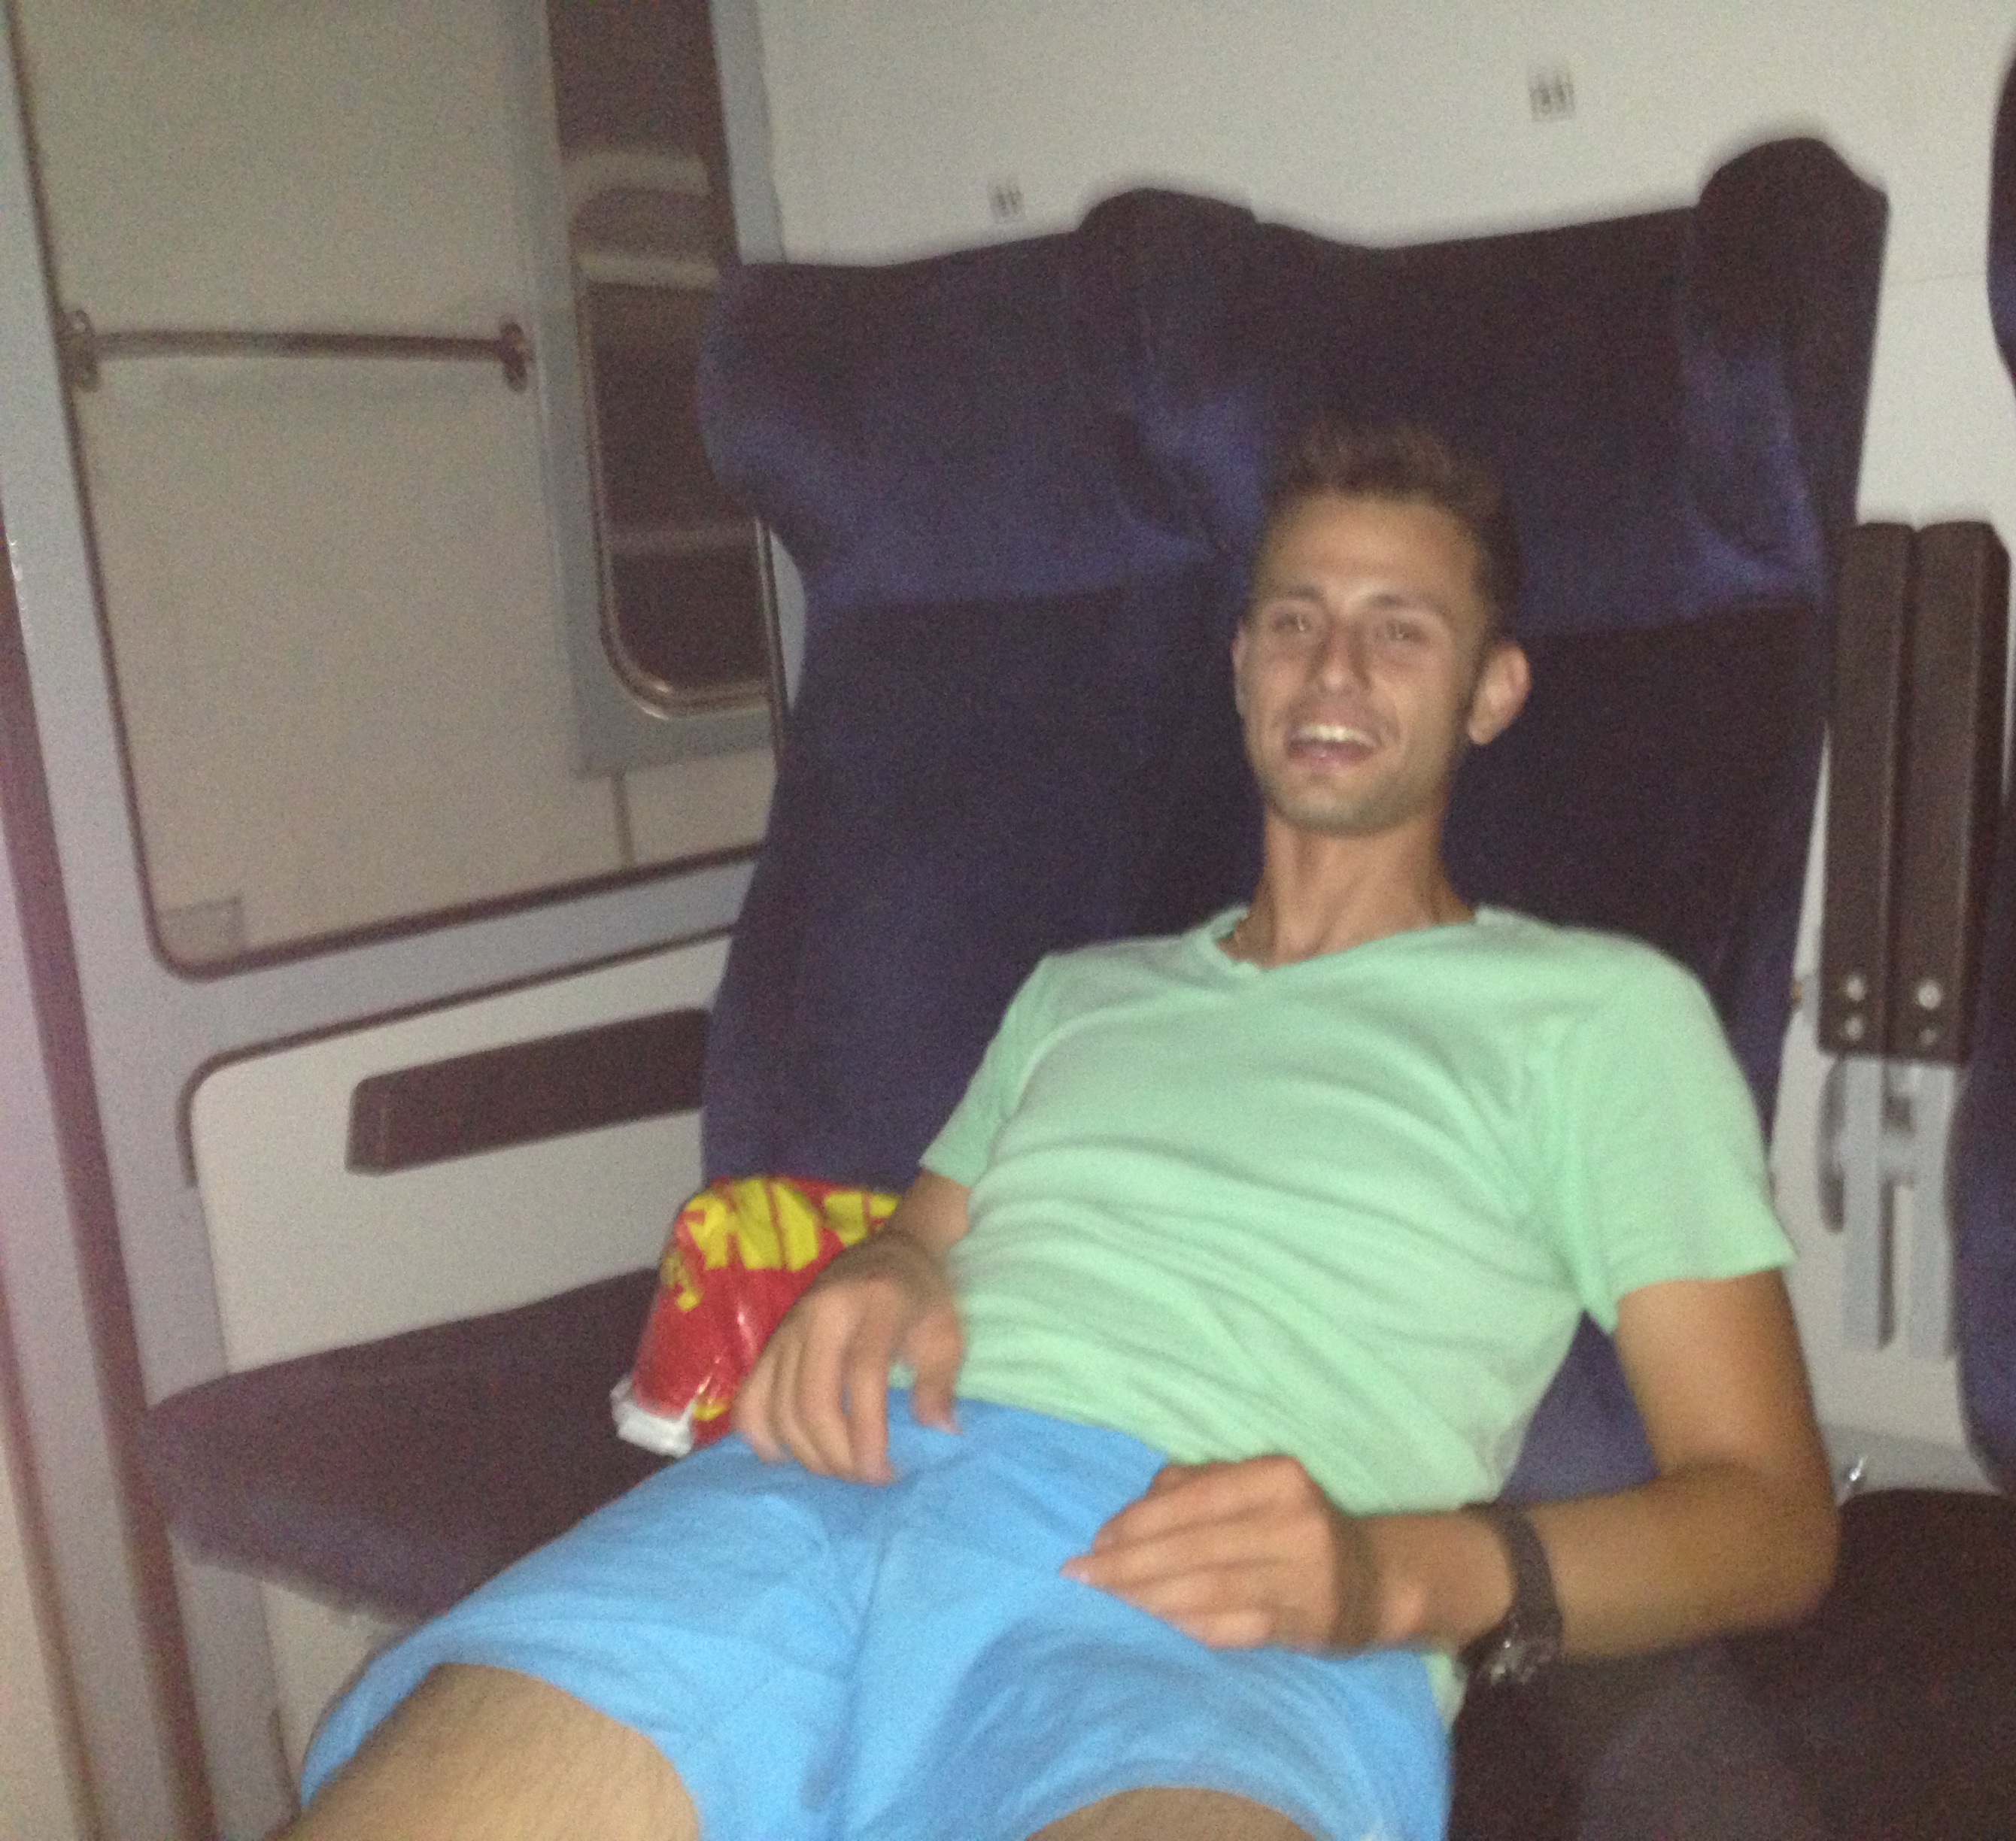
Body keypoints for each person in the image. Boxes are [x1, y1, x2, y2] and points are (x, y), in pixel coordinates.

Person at [284, 422, 1837, 1841]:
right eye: (1294, 620)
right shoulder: (1085, 991)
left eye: (1400, 630)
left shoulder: (1598, 1018)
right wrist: (887, 1264)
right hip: (825, 1499)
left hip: (1210, 1590)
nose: (1333, 669)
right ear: (1241, 665)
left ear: (1491, 690)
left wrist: (1399, 1573)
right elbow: (929, 1229)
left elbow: (1771, 1518)